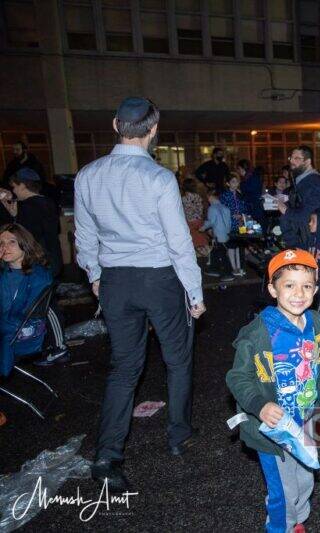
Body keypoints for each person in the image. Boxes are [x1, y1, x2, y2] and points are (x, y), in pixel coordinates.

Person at [74, 97, 205, 493]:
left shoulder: (88, 175)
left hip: (116, 279)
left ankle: (107, 455)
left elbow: (84, 236)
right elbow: (178, 242)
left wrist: (95, 274)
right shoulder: (159, 178)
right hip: (159, 278)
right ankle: (178, 434)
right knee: (177, 360)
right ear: (154, 128)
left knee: (124, 368)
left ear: (116, 125)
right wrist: (194, 292)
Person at [226, 249, 320, 533]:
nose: (298, 293)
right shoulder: (259, 332)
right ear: (272, 289)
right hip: (273, 429)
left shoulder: (312, 320)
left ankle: (296, 521)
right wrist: (260, 405)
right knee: (283, 490)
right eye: (289, 285)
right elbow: (237, 376)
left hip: (304, 420)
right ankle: (280, 527)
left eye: (307, 286)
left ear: (316, 289)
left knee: (305, 479)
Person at [0, 224, 63, 377]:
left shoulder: (37, 277)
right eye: (1, 243)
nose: (5, 247)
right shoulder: (5, 273)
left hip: (19, 335)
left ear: (25, 245)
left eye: (12, 242)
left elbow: (19, 316)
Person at [0, 168, 62, 278]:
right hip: (53, 259)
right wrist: (15, 214)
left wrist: (14, 216)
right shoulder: (48, 202)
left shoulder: (27, 207)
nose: (14, 191)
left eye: (14, 187)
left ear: (22, 185)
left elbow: (23, 239)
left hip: (38, 264)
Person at [279, 146, 320, 248]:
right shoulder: (302, 180)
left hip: (306, 242)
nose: (292, 161)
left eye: (296, 158)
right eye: (291, 158)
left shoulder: (313, 183)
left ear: (307, 162)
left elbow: (310, 215)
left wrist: (285, 210)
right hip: (299, 240)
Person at [200, 189, 234, 282]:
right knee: (215, 252)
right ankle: (214, 269)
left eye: (208, 198)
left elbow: (211, 221)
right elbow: (229, 223)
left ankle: (228, 273)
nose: (208, 200)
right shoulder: (226, 208)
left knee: (222, 255)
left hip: (218, 235)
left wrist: (203, 227)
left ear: (211, 197)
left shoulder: (212, 209)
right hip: (226, 234)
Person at [180, 177, 209, 255]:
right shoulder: (198, 196)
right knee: (201, 238)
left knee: (194, 239)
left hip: (189, 221)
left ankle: (199, 254)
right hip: (199, 220)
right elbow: (201, 208)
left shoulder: (183, 199)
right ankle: (206, 253)